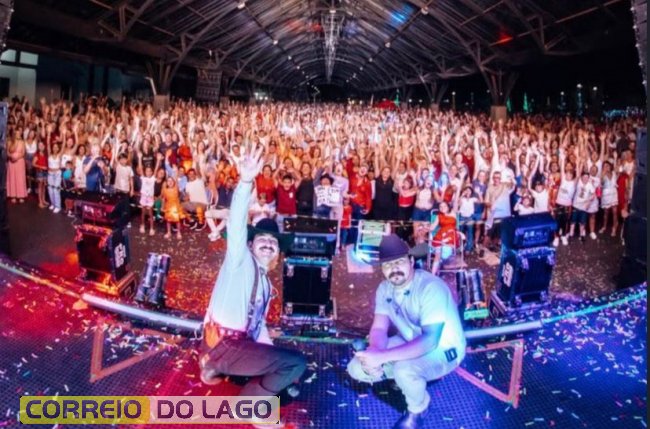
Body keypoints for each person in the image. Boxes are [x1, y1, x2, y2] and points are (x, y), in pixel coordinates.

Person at [201, 147, 306, 429]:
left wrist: (270, 356)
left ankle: (214, 369)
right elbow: (237, 223)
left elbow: (258, 326)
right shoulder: (240, 260)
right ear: (250, 244)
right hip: (225, 345)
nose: (269, 244)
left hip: (231, 346)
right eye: (262, 239)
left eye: (273, 242)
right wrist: (246, 181)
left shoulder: (266, 283)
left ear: (277, 253)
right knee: (295, 364)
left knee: (287, 382)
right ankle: (249, 407)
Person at [347, 234, 466, 429]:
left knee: (404, 370)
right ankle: (407, 381)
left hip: (444, 348)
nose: (394, 269)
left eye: (399, 262)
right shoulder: (384, 288)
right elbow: (379, 327)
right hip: (408, 339)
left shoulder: (430, 287)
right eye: (387, 265)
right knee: (356, 368)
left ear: (411, 261)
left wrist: (382, 357)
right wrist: (375, 354)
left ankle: (419, 409)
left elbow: (430, 341)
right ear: (382, 269)